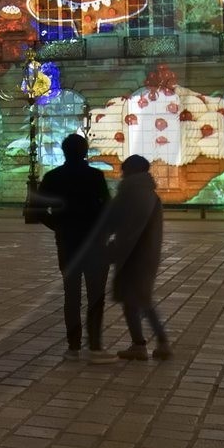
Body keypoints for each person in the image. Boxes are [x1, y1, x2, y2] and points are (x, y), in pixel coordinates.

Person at [34, 134, 112, 362]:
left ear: (64, 151)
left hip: (68, 243)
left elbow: (38, 211)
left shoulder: (53, 177)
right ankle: (96, 345)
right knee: (96, 295)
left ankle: (74, 346)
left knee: (72, 295)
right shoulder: (95, 176)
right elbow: (107, 208)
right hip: (95, 243)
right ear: (85, 151)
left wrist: (58, 226)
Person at [101, 155, 172, 360]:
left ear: (129, 171)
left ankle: (147, 343)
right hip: (148, 253)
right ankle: (151, 342)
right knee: (138, 298)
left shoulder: (129, 193)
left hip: (132, 255)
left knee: (136, 299)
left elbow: (113, 222)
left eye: (124, 170)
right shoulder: (150, 193)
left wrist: (108, 249)